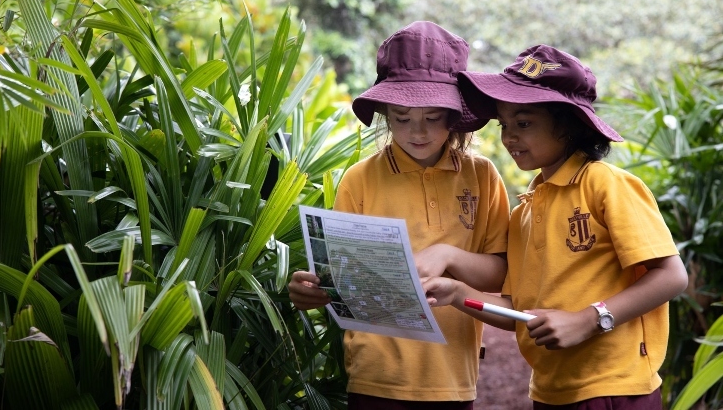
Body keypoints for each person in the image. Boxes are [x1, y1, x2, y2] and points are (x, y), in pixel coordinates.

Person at [422, 44, 689, 409]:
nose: (509, 137)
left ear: (568, 127)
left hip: (614, 387)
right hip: (550, 391)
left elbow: (672, 276)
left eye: (524, 123)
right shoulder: (525, 210)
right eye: (505, 124)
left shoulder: (605, 184)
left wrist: (590, 319)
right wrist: (456, 294)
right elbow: (518, 307)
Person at [288, 21, 511, 409]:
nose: (417, 132)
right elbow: (343, 278)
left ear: (455, 114)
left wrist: (450, 256)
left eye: (433, 117)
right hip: (376, 376)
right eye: (402, 117)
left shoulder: (482, 177)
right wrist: (317, 289)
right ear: (386, 114)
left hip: (452, 375)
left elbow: (500, 272)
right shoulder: (359, 180)